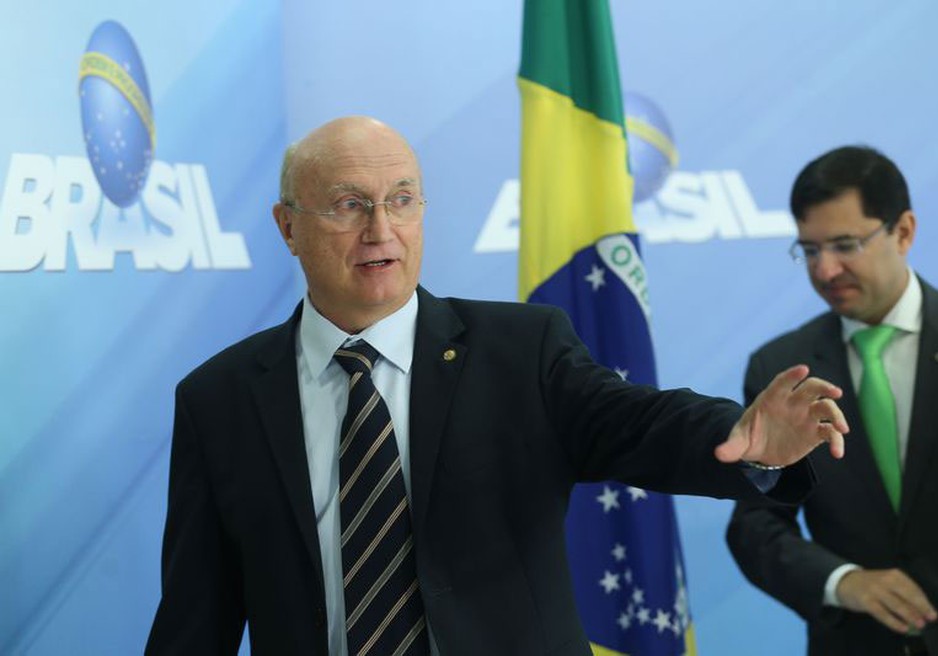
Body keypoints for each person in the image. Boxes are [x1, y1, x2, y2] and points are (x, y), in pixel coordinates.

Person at [146, 116, 848, 656]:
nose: (380, 229)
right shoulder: (221, 400)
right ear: (288, 226)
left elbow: (637, 422)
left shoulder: (520, 351)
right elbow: (194, 619)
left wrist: (739, 438)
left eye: (401, 199)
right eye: (348, 204)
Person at [727, 145, 938, 655]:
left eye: (845, 245)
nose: (825, 271)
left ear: (903, 231)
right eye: (810, 250)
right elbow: (755, 524)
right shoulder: (781, 371)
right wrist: (841, 581)